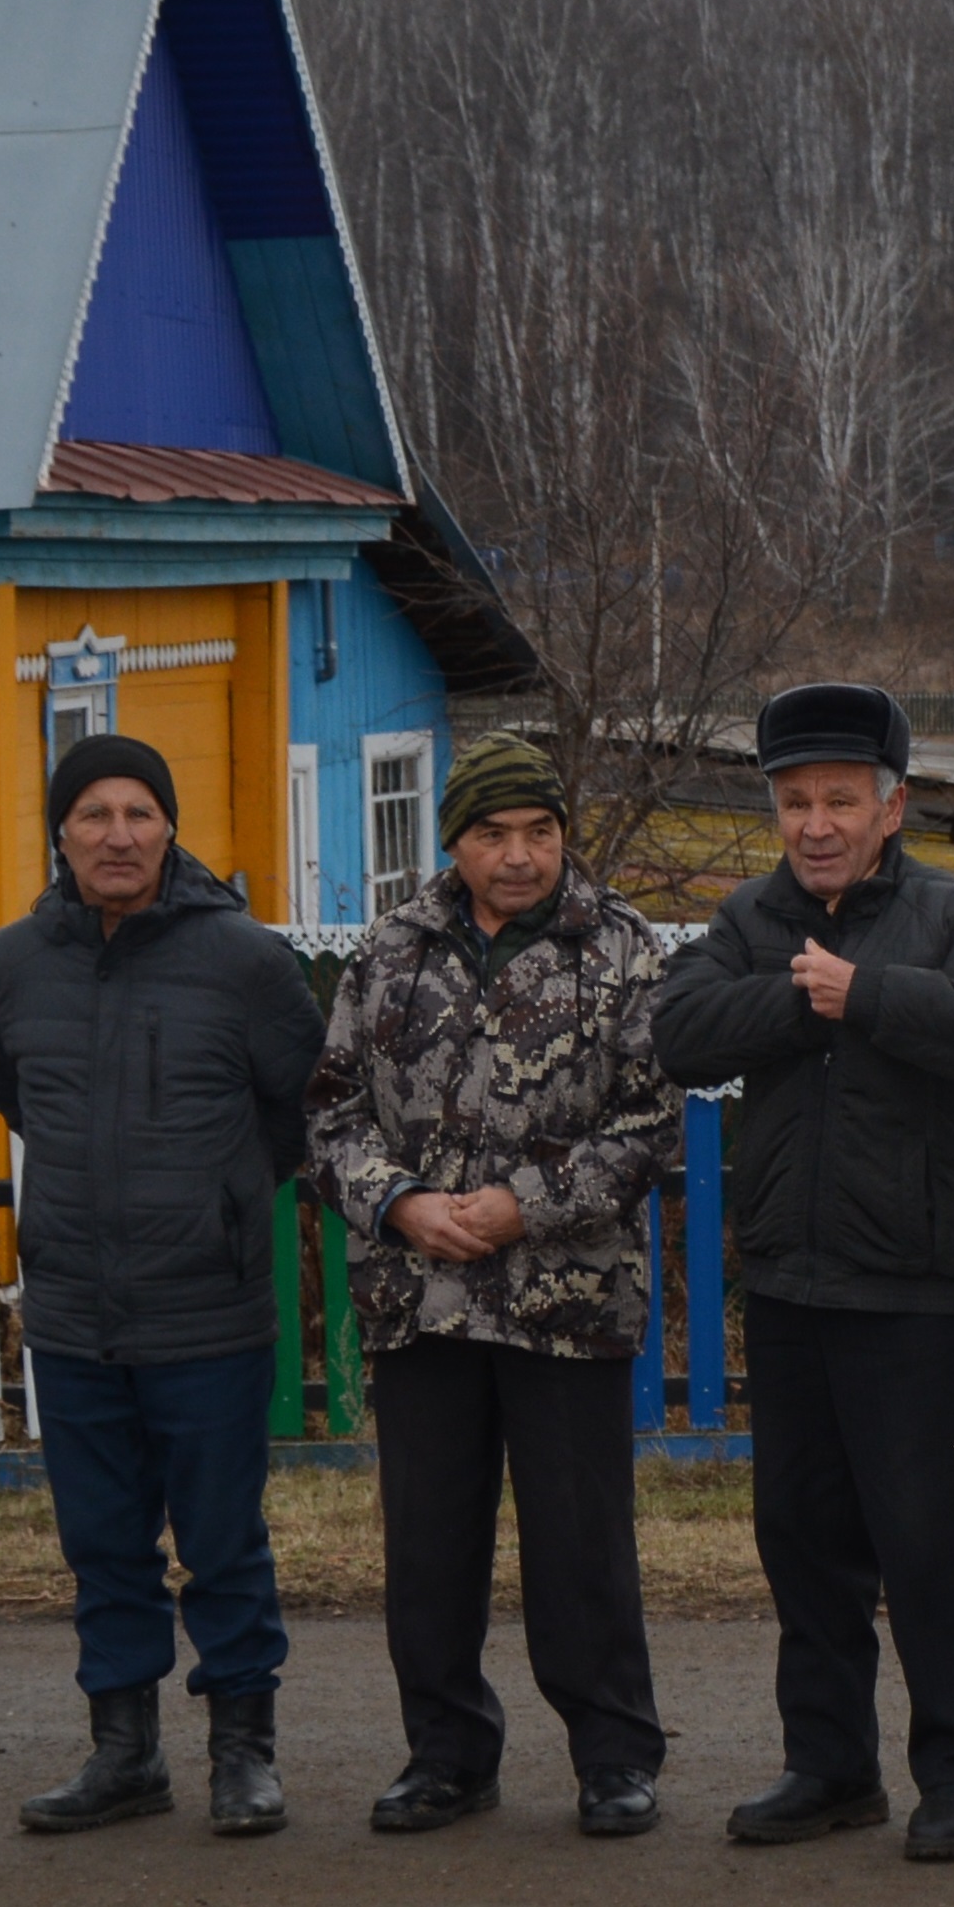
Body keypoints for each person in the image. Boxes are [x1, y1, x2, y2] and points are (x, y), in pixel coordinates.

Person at [657, 684, 954, 1862]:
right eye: (796, 801)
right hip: (789, 1287)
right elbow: (681, 1032)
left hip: (911, 1293)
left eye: (843, 799)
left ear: (894, 807)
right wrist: (807, 999)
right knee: (802, 1541)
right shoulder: (751, 920)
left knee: (931, 1541)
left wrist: (870, 993)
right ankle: (830, 1766)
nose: (818, 822)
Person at [305, 735, 680, 1838]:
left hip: (567, 1299)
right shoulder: (389, 951)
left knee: (581, 1545)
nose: (519, 855)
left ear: (564, 836)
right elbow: (328, 1113)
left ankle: (615, 1755)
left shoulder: (621, 949)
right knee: (428, 1546)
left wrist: (527, 1201)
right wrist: (399, 1201)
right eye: (493, 833)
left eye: (540, 832)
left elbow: (651, 1120)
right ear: (454, 842)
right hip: (419, 1299)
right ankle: (448, 1753)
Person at [0, 735, 327, 1835]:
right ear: (61, 832)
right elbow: (15, 1091)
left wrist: (213, 1197)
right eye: (93, 814)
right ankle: (123, 1752)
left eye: (139, 811)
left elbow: (298, 1110)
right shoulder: (13, 959)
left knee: (222, 1539)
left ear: (171, 828)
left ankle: (243, 1749)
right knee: (102, 1542)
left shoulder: (246, 960)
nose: (118, 834)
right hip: (76, 1307)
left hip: (206, 1308)